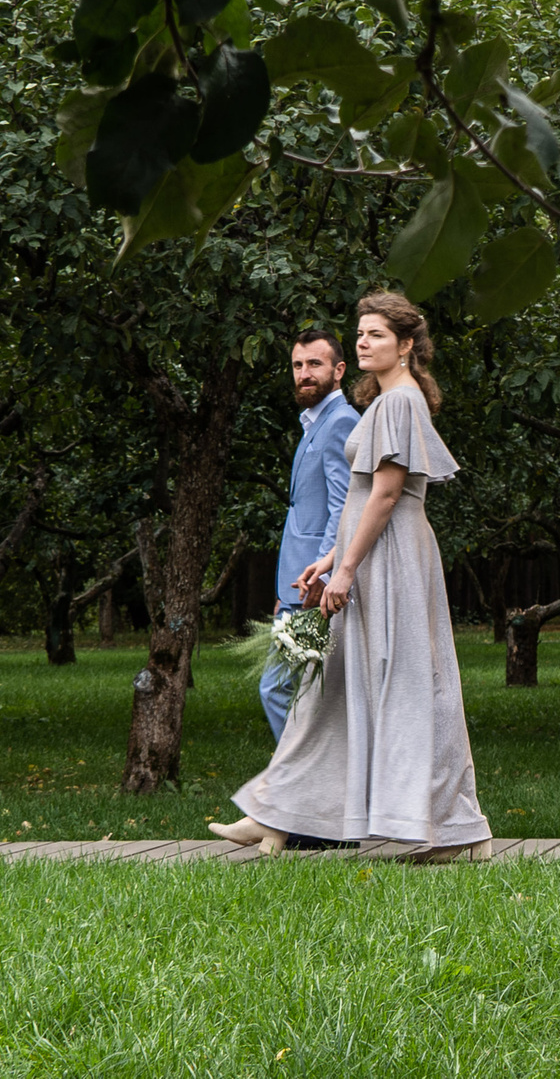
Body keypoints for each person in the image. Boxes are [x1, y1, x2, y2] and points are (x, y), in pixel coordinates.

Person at [212, 291, 494, 862]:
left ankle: (456, 832)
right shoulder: (390, 402)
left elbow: (387, 496)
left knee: (408, 686)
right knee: (334, 690)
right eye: (360, 333)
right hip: (374, 555)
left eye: (377, 335)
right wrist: (331, 557)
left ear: (407, 345)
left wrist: (345, 569)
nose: (364, 342)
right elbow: (363, 498)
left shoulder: (398, 404)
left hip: (390, 561)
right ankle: (277, 815)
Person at [265, 327, 358, 740]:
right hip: (298, 583)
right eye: (298, 365)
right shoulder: (312, 423)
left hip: (315, 583)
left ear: (338, 371)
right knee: (302, 690)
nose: (304, 373)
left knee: (278, 689)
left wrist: (321, 576)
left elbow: (343, 508)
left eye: (314, 364)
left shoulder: (340, 422)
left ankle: (298, 787)